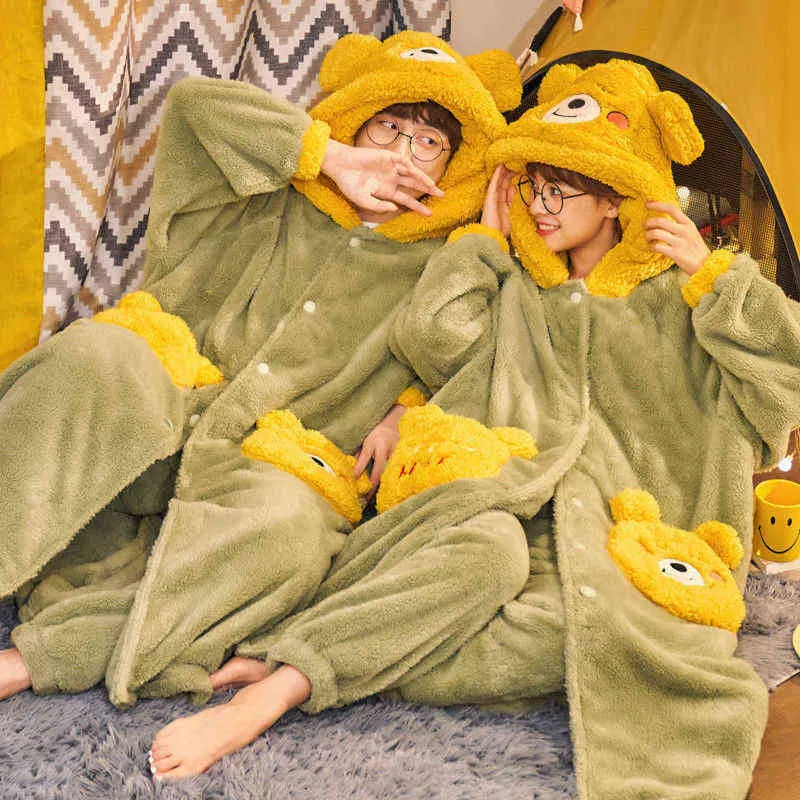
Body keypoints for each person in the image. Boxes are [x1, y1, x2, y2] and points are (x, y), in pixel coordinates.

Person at [147, 59, 800, 800]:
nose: (540, 207)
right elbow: (433, 338)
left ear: (614, 199)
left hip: (614, 535)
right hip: (497, 507)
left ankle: (307, 651)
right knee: (485, 558)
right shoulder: (520, 288)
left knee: (602, 637)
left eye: (560, 190)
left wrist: (716, 276)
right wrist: (483, 243)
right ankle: (273, 694)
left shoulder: (680, 297)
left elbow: (783, 383)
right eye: (532, 187)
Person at [0, 31, 520, 712]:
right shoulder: (271, 190)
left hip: (273, 459)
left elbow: (456, 347)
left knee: (288, 538)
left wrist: (411, 399)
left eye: (428, 143)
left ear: (454, 165)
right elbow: (192, 107)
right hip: (168, 398)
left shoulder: (440, 263)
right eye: (387, 127)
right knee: (91, 357)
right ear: (357, 121)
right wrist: (330, 158)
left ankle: (45, 655)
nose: (401, 153)